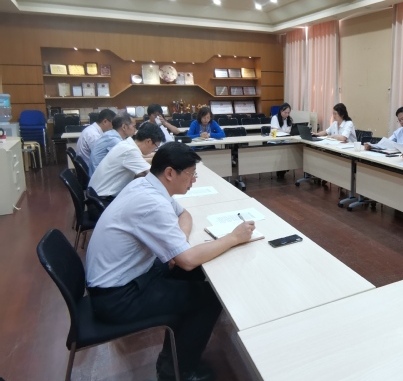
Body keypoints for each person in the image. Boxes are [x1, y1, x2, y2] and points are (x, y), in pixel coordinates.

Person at [85, 142, 255, 381]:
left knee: (197, 274)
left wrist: (177, 242)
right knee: (209, 299)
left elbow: (184, 214)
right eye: (191, 174)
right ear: (169, 173)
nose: (193, 180)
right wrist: (233, 238)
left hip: (129, 277)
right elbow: (186, 260)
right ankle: (177, 372)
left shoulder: (145, 185)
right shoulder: (151, 202)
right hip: (117, 297)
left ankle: (175, 357)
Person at [88, 123, 164, 204]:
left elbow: (142, 172)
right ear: (148, 141)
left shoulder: (126, 144)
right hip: (103, 200)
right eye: (156, 146)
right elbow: (153, 176)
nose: (154, 150)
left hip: (97, 195)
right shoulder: (130, 150)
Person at [271, 103, 294, 179]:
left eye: (288, 113)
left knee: (290, 150)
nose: (287, 114)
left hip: (285, 141)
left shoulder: (289, 119)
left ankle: (283, 168)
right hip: (276, 141)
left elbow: (290, 131)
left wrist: (283, 131)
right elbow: (274, 131)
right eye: (285, 112)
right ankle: (281, 169)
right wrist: (284, 132)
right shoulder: (275, 118)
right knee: (282, 151)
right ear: (281, 111)